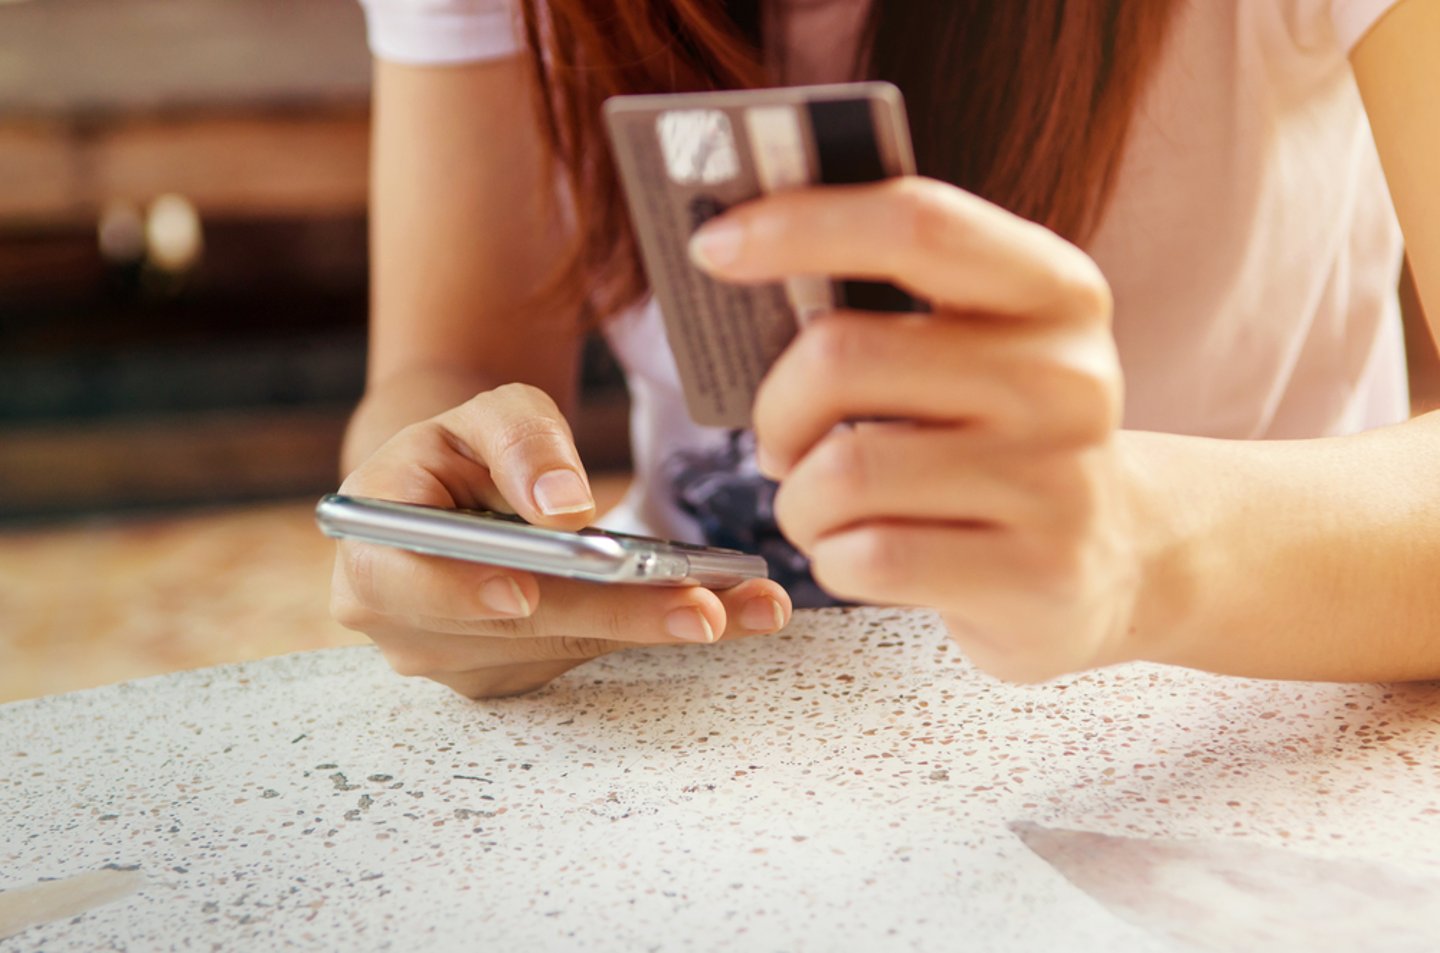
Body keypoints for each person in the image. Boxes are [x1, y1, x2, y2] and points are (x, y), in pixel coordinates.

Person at [331, 0, 1440, 698]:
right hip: (708, 712)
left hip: (1224, 739)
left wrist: (1139, 542)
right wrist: (446, 529)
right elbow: (444, 366)